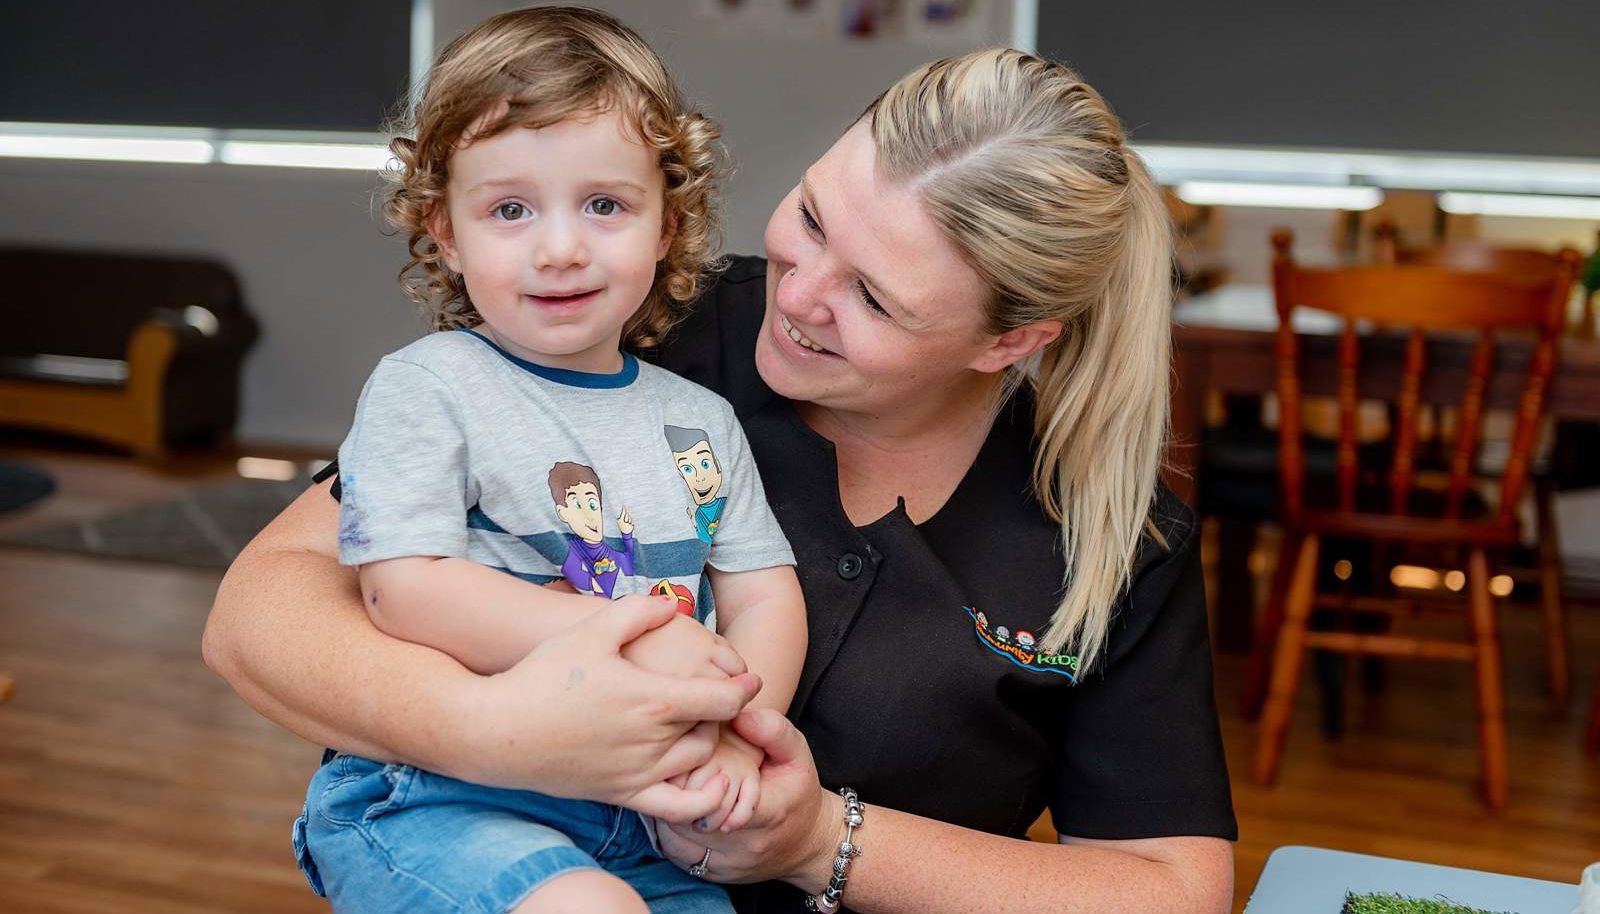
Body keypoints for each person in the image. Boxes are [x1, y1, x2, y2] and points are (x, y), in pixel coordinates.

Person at [205, 45, 1238, 913]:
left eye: (874, 299)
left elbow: (1174, 884)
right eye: (815, 218)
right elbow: (260, 611)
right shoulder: (636, 322)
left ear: (1009, 338)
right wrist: (502, 732)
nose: (802, 294)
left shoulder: (1109, 536)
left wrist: (818, 838)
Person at [297, 5, 806, 914]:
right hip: (439, 796)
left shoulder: (701, 419)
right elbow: (401, 585)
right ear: (444, 231)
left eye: (605, 204)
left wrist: (735, 724)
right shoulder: (430, 386)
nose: (561, 246)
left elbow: (764, 589)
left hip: (640, 818)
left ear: (669, 223)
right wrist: (644, 646)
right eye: (509, 209)